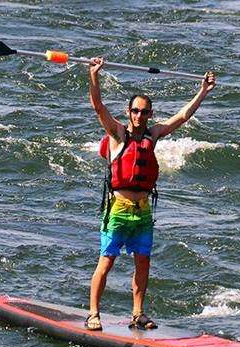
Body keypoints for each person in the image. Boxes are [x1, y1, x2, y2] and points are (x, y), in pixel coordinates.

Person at [85, 57, 216, 331]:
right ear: (128, 112)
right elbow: (98, 106)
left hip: (143, 212)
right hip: (118, 210)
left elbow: (182, 117)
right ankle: (93, 313)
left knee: (143, 263)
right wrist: (94, 75)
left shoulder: (153, 135)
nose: (139, 116)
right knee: (106, 262)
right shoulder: (118, 134)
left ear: (150, 114)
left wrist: (202, 91)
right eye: (135, 111)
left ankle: (138, 314)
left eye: (144, 112)